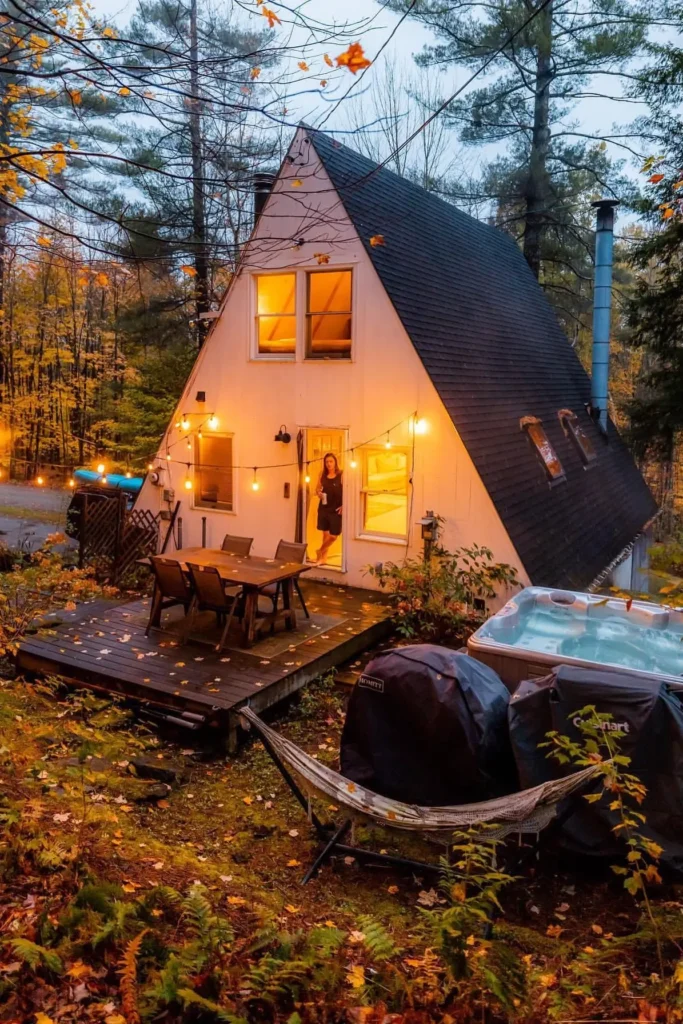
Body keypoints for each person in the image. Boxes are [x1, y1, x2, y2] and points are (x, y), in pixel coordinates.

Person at [315, 452, 343, 565]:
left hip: (336, 509)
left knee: (333, 536)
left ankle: (320, 551)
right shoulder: (322, 474)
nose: (329, 464)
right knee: (325, 534)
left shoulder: (341, 475)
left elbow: (347, 490)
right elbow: (317, 489)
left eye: (331, 461)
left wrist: (344, 505)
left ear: (335, 462)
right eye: (327, 462)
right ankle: (323, 558)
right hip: (324, 507)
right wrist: (319, 494)